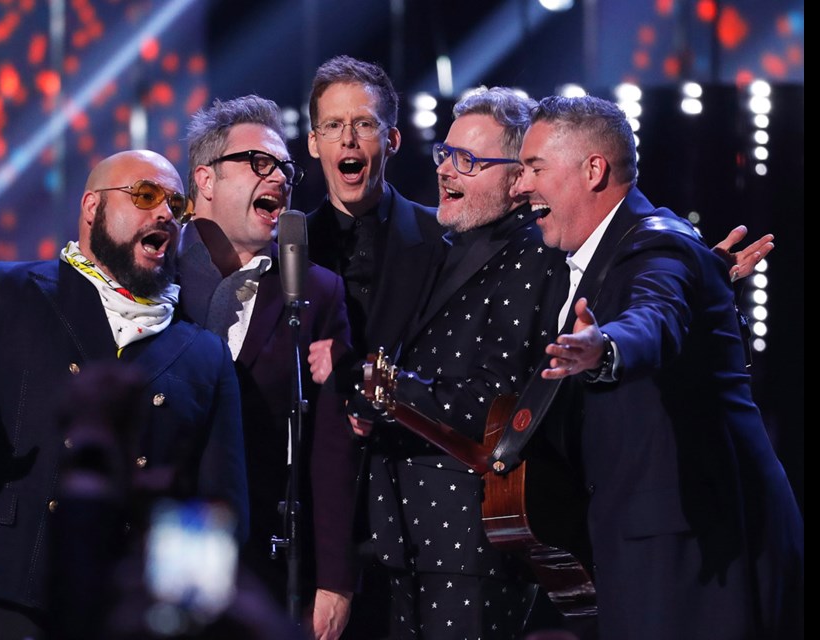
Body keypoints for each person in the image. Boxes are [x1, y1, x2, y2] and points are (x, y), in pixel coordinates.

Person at [0, 149, 249, 640]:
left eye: (177, 204)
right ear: (91, 208)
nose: (165, 213)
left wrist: (181, 617)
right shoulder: (7, 288)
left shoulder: (203, 355)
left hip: (113, 615)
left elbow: (216, 509)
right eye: (145, 195)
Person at [514, 94, 803, 639]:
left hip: (692, 540)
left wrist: (607, 348)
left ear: (593, 169)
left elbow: (656, 316)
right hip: (658, 533)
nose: (519, 184)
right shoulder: (628, 251)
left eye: (534, 168)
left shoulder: (659, 249)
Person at [347, 86, 570, 640]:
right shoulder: (444, 244)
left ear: (519, 179)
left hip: (467, 541)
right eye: (445, 154)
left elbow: (498, 402)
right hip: (403, 534)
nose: (447, 171)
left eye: (469, 161)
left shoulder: (532, 254)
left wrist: (385, 390)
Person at [180, 94, 358, 640]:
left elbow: (331, 443)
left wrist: (335, 576)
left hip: (263, 549)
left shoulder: (315, 289)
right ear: (205, 179)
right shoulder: (154, 268)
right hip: (163, 536)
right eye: (259, 163)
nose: (279, 177)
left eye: (285, 167)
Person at [303, 55, 447, 639]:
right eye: (333, 126)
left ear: (389, 138)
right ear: (314, 144)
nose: (348, 138)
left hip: (420, 506)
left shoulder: (441, 239)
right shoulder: (283, 249)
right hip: (318, 515)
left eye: (362, 124)